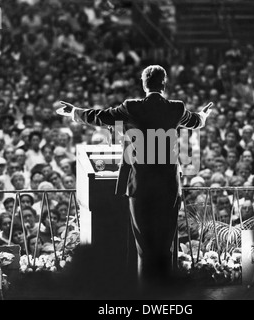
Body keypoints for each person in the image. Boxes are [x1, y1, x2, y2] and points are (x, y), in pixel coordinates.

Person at [58, 65, 214, 291]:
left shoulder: (131, 107)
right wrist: (204, 115)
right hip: (168, 187)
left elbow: (100, 117)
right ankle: (166, 294)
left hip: (139, 185)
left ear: (144, 84)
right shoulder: (176, 108)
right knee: (165, 244)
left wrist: (75, 111)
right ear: (164, 83)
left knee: (144, 246)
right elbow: (195, 122)